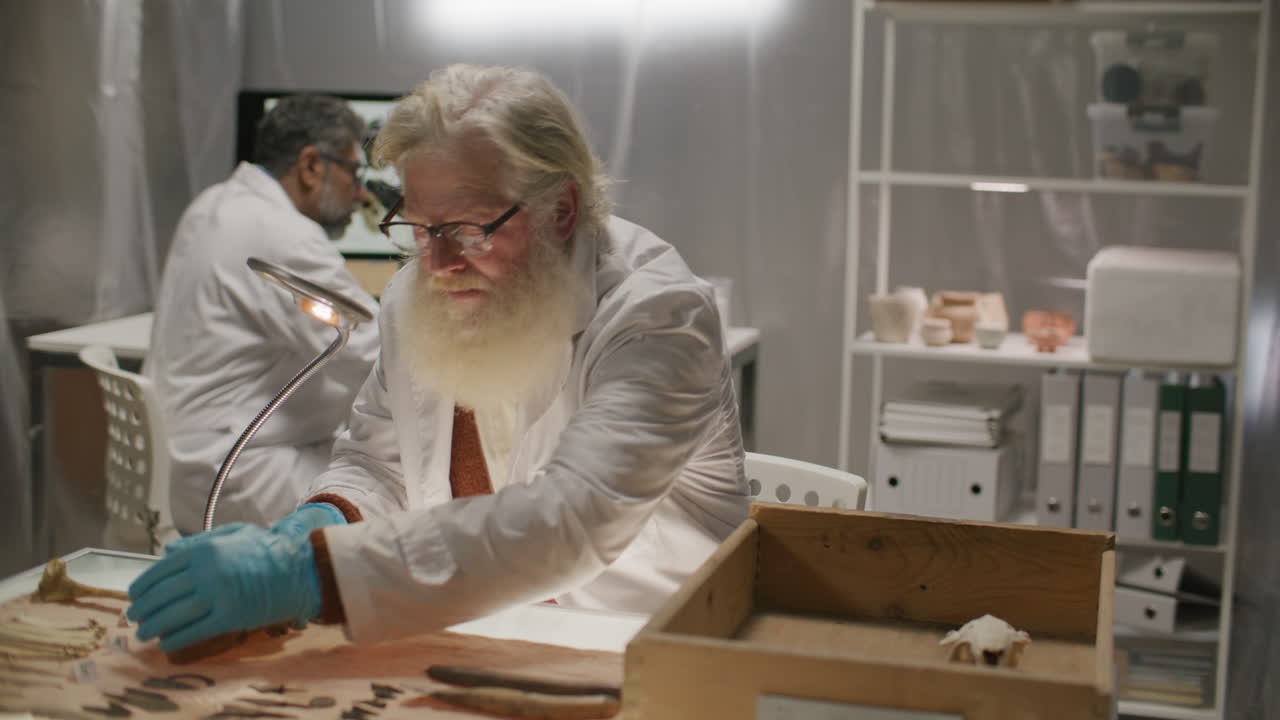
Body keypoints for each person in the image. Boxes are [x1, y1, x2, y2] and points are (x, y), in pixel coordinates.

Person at [128, 64, 748, 652]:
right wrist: (314, 525)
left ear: (561, 210)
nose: (440, 265)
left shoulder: (659, 318)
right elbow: (378, 464)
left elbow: (571, 521)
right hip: (486, 640)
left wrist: (310, 575)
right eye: (421, 228)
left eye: (470, 229)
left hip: (642, 649)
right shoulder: (417, 297)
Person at [145, 94, 380, 536]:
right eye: (354, 170)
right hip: (241, 473)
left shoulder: (215, 203)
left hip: (189, 460)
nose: (362, 191)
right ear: (312, 166)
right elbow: (375, 353)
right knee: (401, 503)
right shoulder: (281, 234)